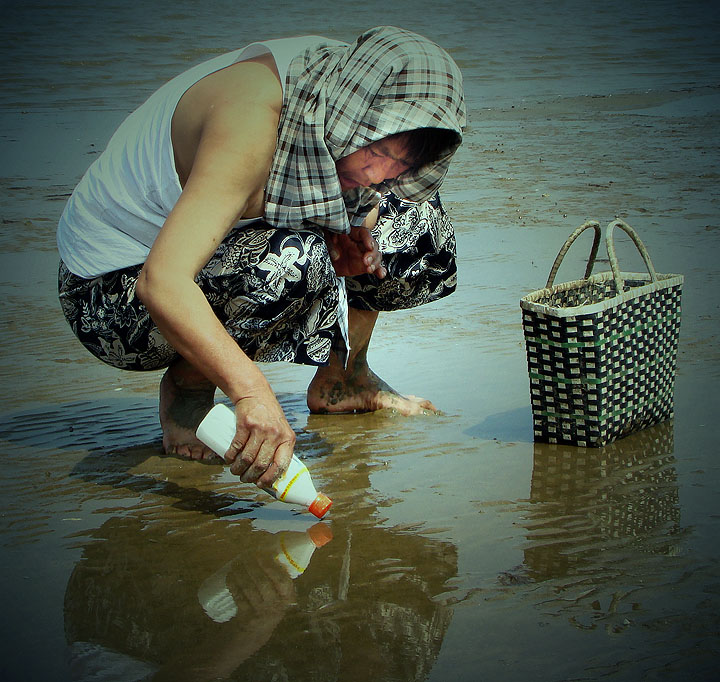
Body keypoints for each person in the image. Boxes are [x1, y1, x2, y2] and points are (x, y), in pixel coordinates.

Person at [57, 26, 466, 489]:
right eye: (376, 150)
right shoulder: (251, 120)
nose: (380, 173)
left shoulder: (343, 87)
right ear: (351, 117)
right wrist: (252, 393)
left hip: (212, 244)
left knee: (415, 225)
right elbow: (162, 281)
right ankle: (188, 392)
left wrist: (355, 223)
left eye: (401, 165)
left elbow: (369, 188)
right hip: (109, 293)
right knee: (295, 261)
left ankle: (345, 378)